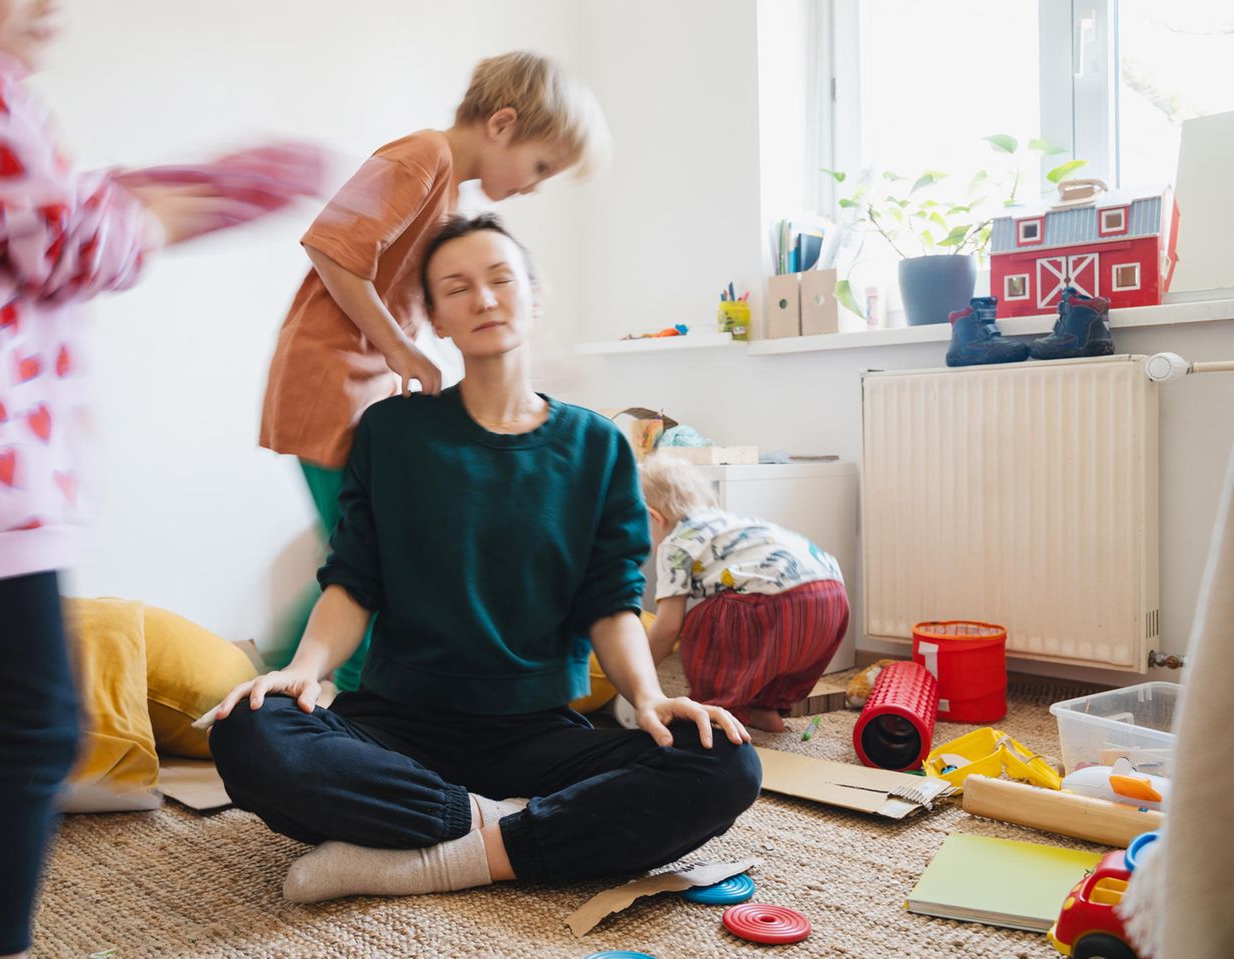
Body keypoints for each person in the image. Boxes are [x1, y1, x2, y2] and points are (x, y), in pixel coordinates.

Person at [0, 0, 309, 953]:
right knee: (42, 725)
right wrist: (181, 205)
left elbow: (38, 216)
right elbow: (74, 245)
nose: (52, 5)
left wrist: (142, 191)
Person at [207, 214, 761, 903]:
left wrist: (649, 696)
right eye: (458, 286)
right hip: (394, 726)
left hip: (538, 734)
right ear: (435, 317)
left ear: (534, 295)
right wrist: (301, 670)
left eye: (501, 278)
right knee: (249, 731)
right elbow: (352, 583)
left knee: (726, 761)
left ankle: (443, 853)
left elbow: (610, 603)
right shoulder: (392, 432)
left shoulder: (599, 447)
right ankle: (499, 828)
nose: (485, 298)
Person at [258, 51, 608, 692]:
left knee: (358, 548)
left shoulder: (449, 195)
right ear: (502, 125)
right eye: (540, 167)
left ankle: (286, 669)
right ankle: (346, 694)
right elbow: (330, 247)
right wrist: (397, 346)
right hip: (328, 382)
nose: (535, 185)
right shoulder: (422, 155)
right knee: (368, 558)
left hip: (364, 384)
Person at [640, 453, 849, 733]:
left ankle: (716, 712)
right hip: (832, 595)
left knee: (703, 622)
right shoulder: (728, 523)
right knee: (770, 647)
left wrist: (638, 673)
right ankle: (765, 710)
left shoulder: (676, 544)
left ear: (653, 518)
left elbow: (667, 627)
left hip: (779, 598)